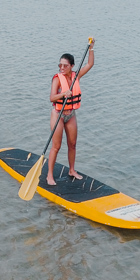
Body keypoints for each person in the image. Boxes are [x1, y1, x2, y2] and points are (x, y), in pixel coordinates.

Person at [46, 41, 94, 186]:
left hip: (70, 115)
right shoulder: (57, 79)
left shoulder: (76, 76)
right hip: (58, 115)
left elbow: (90, 64)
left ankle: (72, 170)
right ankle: (49, 175)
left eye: (65, 65)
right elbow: (51, 98)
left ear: (72, 66)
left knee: (72, 144)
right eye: (60, 65)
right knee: (56, 146)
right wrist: (63, 95)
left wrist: (91, 48)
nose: (62, 68)